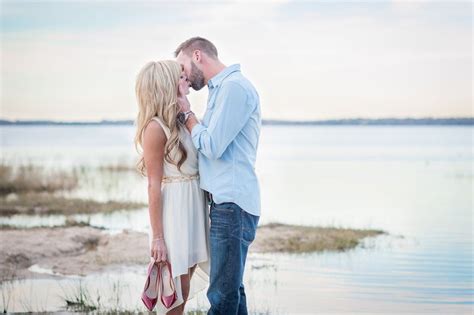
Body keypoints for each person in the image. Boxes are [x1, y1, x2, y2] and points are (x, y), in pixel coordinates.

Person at [175, 37, 261, 315]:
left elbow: (212, 146)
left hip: (232, 203)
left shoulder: (233, 88)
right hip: (226, 203)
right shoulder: (221, 89)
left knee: (222, 296)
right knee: (231, 289)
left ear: (197, 55)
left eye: (182, 66)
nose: (182, 75)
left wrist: (187, 112)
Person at [134, 60, 210, 315]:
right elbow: (153, 186)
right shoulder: (155, 128)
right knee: (174, 292)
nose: (187, 78)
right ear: (167, 85)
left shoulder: (181, 121)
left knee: (184, 289)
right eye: (180, 76)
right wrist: (158, 237)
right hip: (174, 214)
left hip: (193, 209)